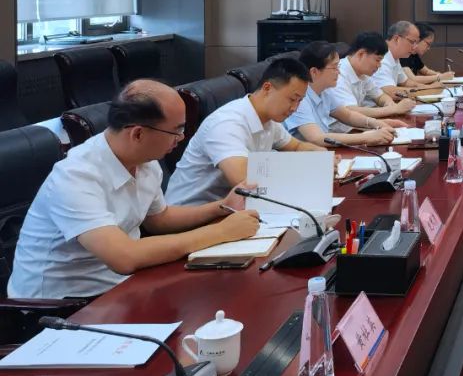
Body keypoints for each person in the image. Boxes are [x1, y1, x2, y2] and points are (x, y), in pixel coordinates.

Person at [8, 80, 260, 299]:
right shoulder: (76, 175)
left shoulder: (146, 162)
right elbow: (124, 257)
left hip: (121, 287)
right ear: (138, 134)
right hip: (59, 306)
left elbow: (159, 219)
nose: (181, 138)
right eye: (177, 130)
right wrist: (221, 232)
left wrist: (221, 207)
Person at [165, 58, 328, 206]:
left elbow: (297, 147)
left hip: (232, 207)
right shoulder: (227, 123)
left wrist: (322, 157)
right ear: (267, 88)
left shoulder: (269, 120)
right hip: (192, 213)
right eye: (292, 99)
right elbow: (245, 182)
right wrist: (306, 170)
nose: (294, 108)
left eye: (299, 101)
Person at [285, 41, 396, 147]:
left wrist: (375, 123)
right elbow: (316, 138)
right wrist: (365, 137)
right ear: (314, 72)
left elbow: (348, 115)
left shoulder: (325, 91)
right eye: (334, 67)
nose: (339, 72)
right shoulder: (299, 97)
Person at [326, 32, 415, 130]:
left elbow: (380, 96)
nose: (379, 65)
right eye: (377, 60)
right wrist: (392, 109)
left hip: (357, 127)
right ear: (361, 54)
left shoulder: (363, 74)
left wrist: (390, 104)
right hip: (338, 132)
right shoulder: (338, 74)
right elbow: (349, 111)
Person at [374, 21, 425, 96]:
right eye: (412, 42)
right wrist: (422, 90)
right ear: (396, 39)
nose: (414, 47)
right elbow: (390, 91)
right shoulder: (381, 58)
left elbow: (405, 82)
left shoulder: (395, 57)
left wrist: (426, 87)